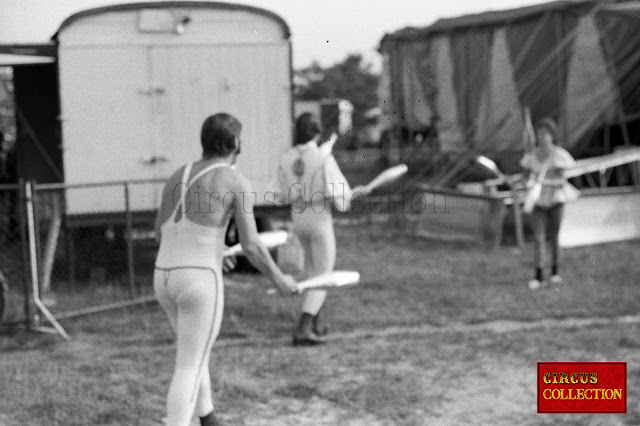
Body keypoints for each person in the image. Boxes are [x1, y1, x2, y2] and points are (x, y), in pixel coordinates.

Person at [154, 113, 297, 426]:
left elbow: (160, 231)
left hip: (164, 274)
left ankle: (208, 419)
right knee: (189, 365)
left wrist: (214, 249)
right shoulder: (235, 180)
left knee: (193, 350)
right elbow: (252, 246)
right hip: (199, 279)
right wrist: (280, 278)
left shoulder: (178, 174)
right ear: (234, 144)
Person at [275, 112, 368, 346]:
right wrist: (352, 194)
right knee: (323, 276)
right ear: (316, 132)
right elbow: (341, 195)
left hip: (297, 216)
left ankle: (315, 322)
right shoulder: (322, 158)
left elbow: (279, 193)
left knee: (311, 272)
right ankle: (304, 327)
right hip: (318, 217)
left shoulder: (285, 157)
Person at [520, 117, 578, 290]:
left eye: (546, 133)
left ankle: (555, 272)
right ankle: (538, 275)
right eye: (540, 133)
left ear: (552, 135)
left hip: (555, 201)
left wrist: (542, 183)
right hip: (538, 202)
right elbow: (525, 178)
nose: (543, 136)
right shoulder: (531, 156)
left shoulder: (559, 155)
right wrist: (526, 183)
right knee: (538, 239)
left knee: (554, 237)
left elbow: (561, 181)